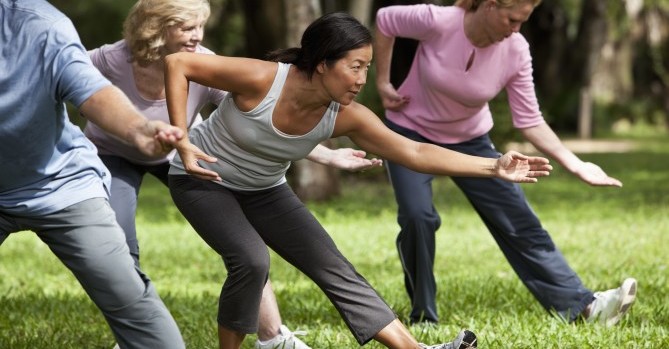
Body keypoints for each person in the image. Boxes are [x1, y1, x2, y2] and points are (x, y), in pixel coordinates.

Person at [163, 11, 552, 349]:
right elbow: (179, 63)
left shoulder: (345, 115)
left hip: (264, 189)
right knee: (250, 259)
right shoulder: (264, 79)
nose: (363, 78)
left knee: (332, 265)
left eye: (367, 67)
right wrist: (182, 139)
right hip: (203, 178)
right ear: (322, 63)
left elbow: (415, 152)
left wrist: (492, 166)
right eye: (355, 66)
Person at [85, 1, 380, 348]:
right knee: (120, 241)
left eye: (201, 26)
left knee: (247, 250)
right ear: (155, 26)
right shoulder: (109, 59)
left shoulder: (207, 62)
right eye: (187, 27)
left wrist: (327, 155)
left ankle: (271, 337)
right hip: (114, 152)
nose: (197, 36)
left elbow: (263, 124)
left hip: (185, 151)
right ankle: (134, 334)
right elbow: (59, 80)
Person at [373, 0, 637, 327]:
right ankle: (423, 316)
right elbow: (385, 20)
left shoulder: (516, 50)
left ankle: (584, 307)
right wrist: (382, 81)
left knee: (518, 219)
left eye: (523, 21)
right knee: (417, 217)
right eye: (512, 19)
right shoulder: (439, 21)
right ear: (489, 6)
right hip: (409, 134)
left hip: (471, 141)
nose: (516, 29)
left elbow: (529, 120)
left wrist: (576, 163)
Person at [0, 1, 186, 348]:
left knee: (131, 301)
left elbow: (91, 90)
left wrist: (138, 129)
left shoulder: (41, 26)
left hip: (59, 186)